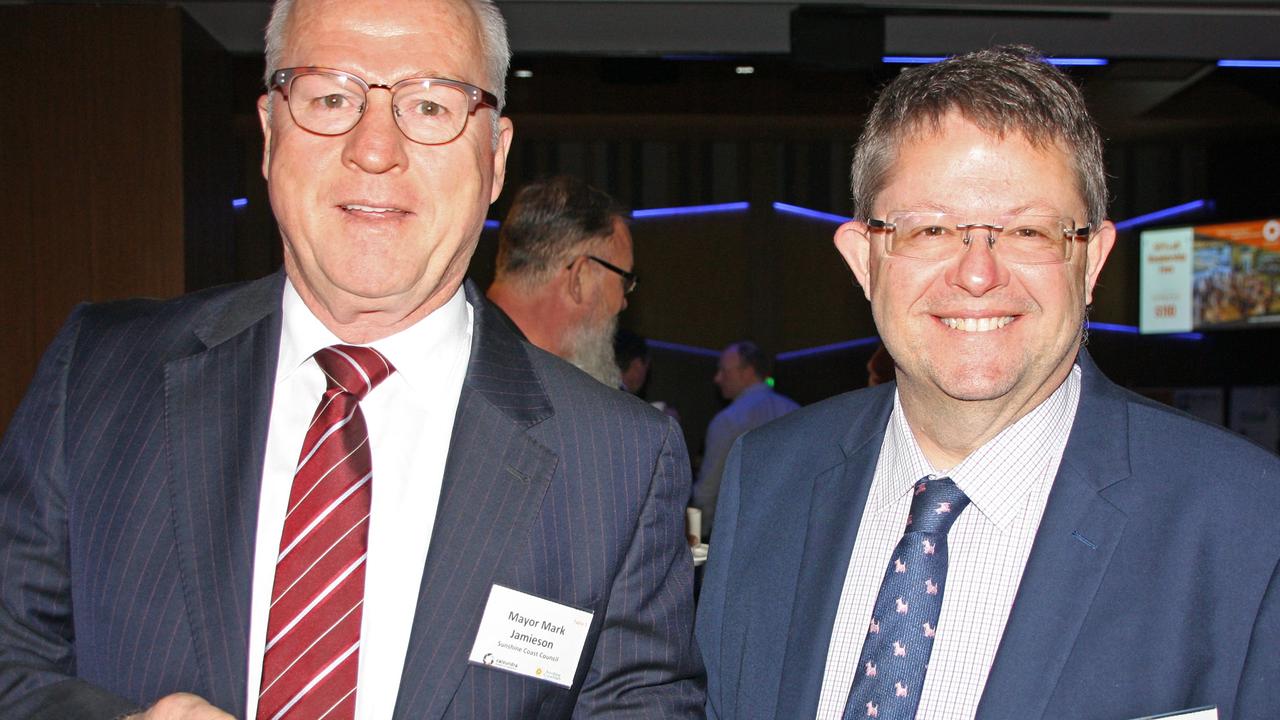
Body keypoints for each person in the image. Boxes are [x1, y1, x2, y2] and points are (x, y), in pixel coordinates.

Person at [0, 1, 703, 718]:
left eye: (429, 106)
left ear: (494, 158)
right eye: (331, 97)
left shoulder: (618, 460)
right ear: (271, 132)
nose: (374, 148)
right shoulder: (98, 374)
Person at [696, 45, 1280, 720]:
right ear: (864, 260)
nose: (977, 274)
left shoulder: (1245, 525)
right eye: (931, 228)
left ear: (1091, 261)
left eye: (1029, 229)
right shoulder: (768, 480)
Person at [486, 175, 635, 387]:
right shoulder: (521, 387)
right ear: (580, 278)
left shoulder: (451, 354)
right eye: (625, 281)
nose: (623, 302)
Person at [690, 341, 798, 541]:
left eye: (723, 371)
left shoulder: (729, 420)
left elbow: (708, 488)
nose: (717, 378)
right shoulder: (795, 411)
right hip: (789, 533)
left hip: (737, 536)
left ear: (748, 372)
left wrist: (698, 535)